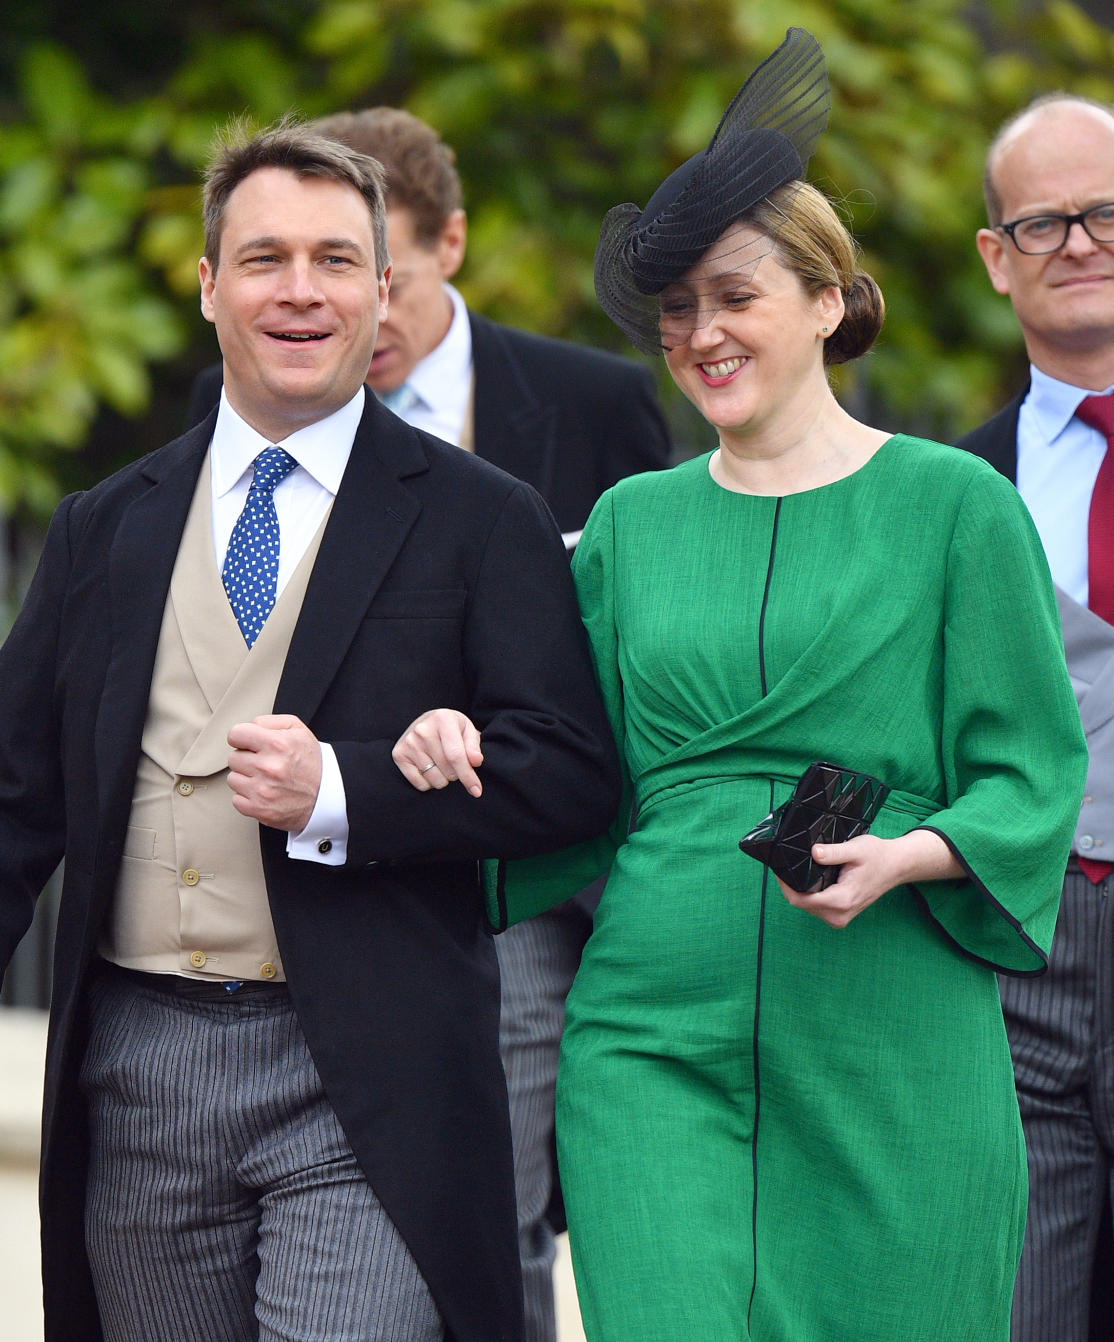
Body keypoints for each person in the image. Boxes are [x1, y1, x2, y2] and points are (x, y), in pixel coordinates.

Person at [390, 28, 1088, 1341]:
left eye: (733, 296)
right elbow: (566, 766)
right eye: (675, 312)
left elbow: (1032, 769)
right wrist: (455, 748)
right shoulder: (629, 527)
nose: (699, 335)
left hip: (894, 1043)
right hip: (649, 1037)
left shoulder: (956, 506)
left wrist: (908, 854)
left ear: (826, 299)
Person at [0, 116, 622, 1342]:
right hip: (138, 1064)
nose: (301, 290)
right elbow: (3, 789)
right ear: (207, 285)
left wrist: (349, 791)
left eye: (337, 260)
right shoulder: (104, 526)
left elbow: (571, 776)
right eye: (266, 258)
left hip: (367, 1071)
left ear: (385, 290)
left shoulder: (483, 518)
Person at [190, 105, 671, 1341]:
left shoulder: (593, 404)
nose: (338, 307)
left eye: (357, 266)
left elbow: (634, 645)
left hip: (548, 879)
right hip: (347, 888)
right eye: (283, 263)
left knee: (510, 1214)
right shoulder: (247, 410)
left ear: (439, 248)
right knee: (443, 1215)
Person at [960, 92, 1114, 1342]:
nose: (1080, 241)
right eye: (1045, 222)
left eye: (1107, 212)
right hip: (1022, 949)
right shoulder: (951, 491)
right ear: (996, 258)